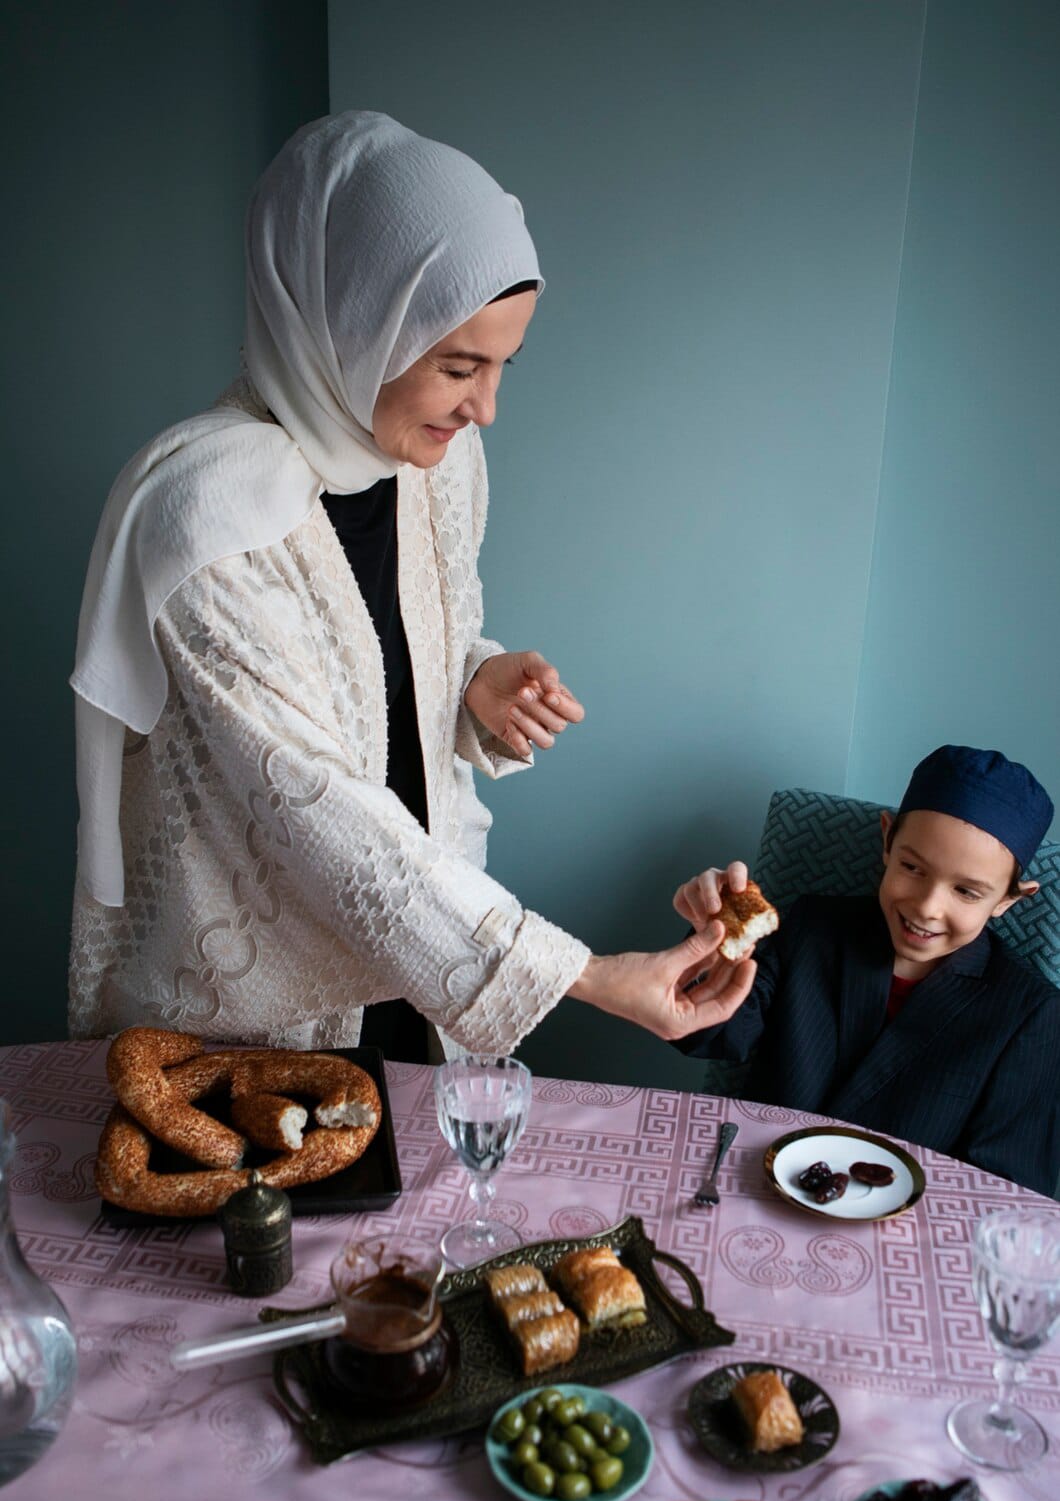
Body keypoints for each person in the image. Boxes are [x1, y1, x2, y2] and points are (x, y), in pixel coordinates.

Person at [68, 110, 754, 1062]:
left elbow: (387, 649)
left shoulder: (437, 462)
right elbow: (312, 800)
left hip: (425, 971)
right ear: (351, 321)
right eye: (458, 366)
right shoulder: (206, 518)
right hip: (257, 1017)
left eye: (505, 364)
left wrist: (472, 682)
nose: (486, 408)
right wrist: (580, 974)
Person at [672, 746, 1059, 1196]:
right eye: (912, 868)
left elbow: (1007, 1192)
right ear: (887, 841)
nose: (927, 908)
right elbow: (706, 1032)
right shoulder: (813, 928)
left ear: (1009, 900)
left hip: (905, 1240)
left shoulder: (1031, 1015)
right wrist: (712, 940)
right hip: (759, 1189)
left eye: (967, 892)